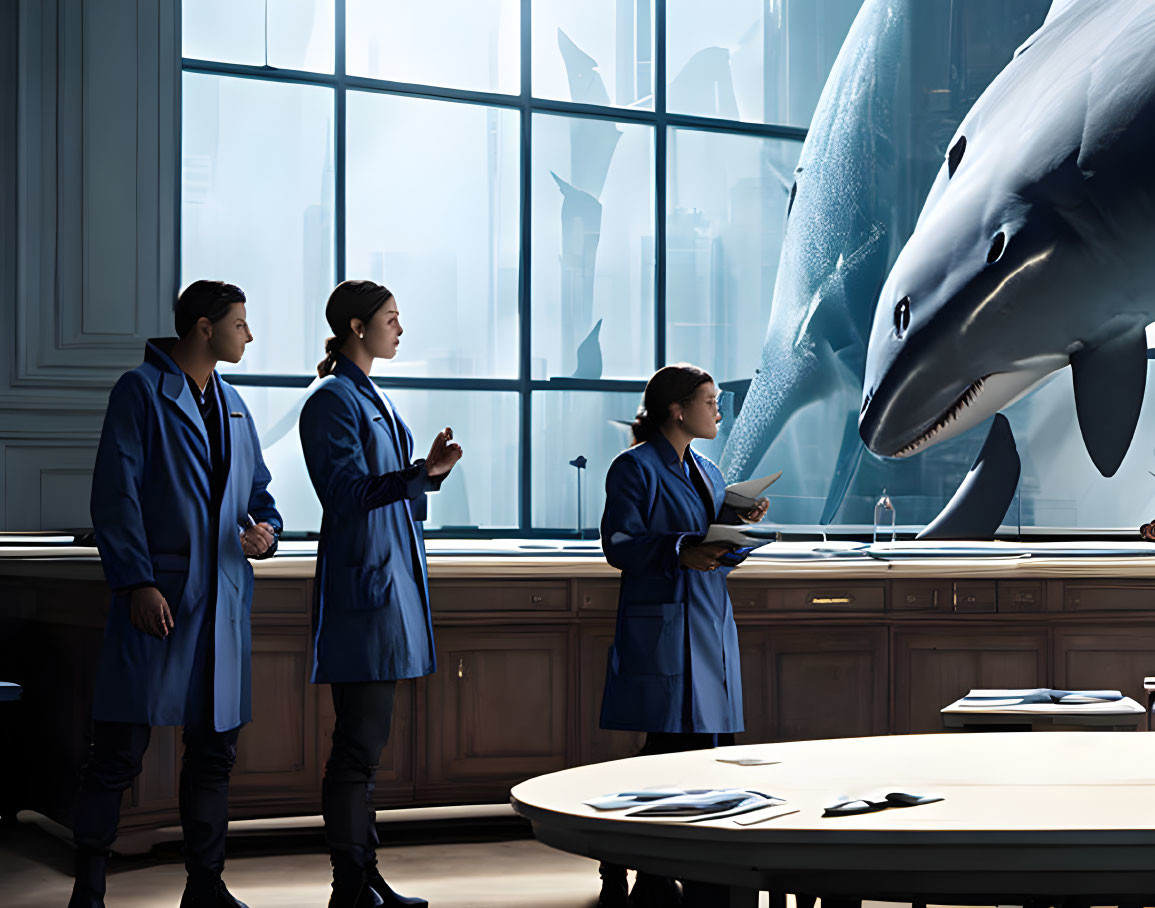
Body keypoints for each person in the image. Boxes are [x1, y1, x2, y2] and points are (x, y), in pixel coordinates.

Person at [72, 281, 282, 908]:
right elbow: (117, 495)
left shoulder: (237, 407)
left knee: (214, 750)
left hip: (222, 605)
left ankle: (206, 886)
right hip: (159, 601)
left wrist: (265, 535)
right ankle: (88, 890)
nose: (248, 334)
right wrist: (135, 582)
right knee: (118, 752)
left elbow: (261, 498)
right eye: (239, 323)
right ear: (202, 326)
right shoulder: (140, 391)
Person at [299, 280, 462, 908]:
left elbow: (386, 492)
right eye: (391, 319)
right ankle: (350, 884)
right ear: (356, 327)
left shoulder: (371, 397)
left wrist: (430, 473)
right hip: (364, 594)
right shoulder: (332, 400)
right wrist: (420, 474)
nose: (401, 329)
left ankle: (365, 879)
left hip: (387, 588)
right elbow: (345, 495)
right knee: (357, 748)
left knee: (366, 750)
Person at [597, 364, 768, 908]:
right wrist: (678, 550)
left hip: (708, 624)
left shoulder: (710, 472)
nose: (719, 410)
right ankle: (636, 869)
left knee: (710, 753)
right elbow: (620, 544)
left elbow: (715, 547)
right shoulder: (634, 469)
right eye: (710, 400)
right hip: (664, 625)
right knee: (664, 754)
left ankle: (703, 869)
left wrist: (739, 528)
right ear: (677, 409)